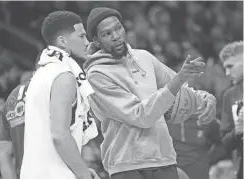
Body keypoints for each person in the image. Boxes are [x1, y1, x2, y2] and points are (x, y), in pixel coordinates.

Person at [84, 7, 216, 179]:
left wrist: (204, 99)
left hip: (164, 157)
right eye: (107, 34)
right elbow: (140, 115)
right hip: (126, 165)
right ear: (96, 41)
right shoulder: (96, 74)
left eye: (118, 28)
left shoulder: (144, 58)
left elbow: (180, 90)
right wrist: (178, 80)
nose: (116, 36)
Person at [20, 11, 99, 179]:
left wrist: (79, 168)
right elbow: (60, 135)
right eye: (81, 36)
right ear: (62, 41)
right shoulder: (64, 76)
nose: (87, 42)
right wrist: (84, 175)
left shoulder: (41, 72)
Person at [219, 41, 243, 179]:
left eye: (230, 66)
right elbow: (224, 145)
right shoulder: (229, 96)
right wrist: (237, 131)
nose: (227, 73)